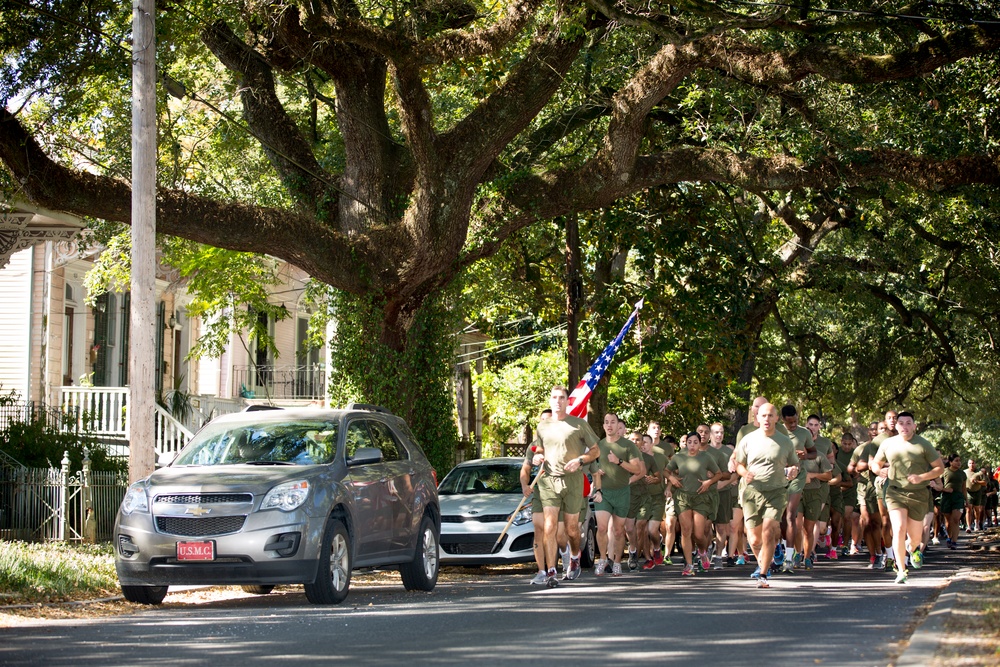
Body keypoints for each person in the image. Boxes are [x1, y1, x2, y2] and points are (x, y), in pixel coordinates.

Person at [531, 385, 600, 587]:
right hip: (549, 479)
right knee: (550, 526)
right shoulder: (542, 426)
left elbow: (595, 451)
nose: (558, 401)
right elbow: (540, 447)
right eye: (554, 397)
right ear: (550, 400)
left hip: (573, 480)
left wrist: (580, 459)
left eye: (562, 397)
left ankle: (575, 555)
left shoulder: (578, 424)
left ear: (567, 401)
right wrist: (538, 455)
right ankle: (551, 572)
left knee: (571, 530)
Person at [870, 411, 944, 584]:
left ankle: (913, 549)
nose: (904, 426)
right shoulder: (888, 443)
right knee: (899, 528)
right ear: (896, 426)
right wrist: (878, 470)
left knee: (914, 538)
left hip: (918, 494)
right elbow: (875, 463)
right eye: (901, 423)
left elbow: (939, 468)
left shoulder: (923, 444)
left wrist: (922, 477)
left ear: (914, 426)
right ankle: (901, 570)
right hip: (895, 492)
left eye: (908, 423)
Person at [733, 403, 799, 589]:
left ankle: (763, 574)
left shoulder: (785, 441)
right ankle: (764, 561)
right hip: (752, 492)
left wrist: (793, 471)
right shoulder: (748, 439)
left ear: (777, 418)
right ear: (757, 418)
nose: (767, 419)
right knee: (754, 539)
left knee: (769, 531)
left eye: (771, 416)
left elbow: (795, 465)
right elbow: (738, 464)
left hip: (777, 491)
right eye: (763, 416)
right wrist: (744, 473)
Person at [591, 413, 643, 577]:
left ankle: (618, 562)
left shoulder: (628, 445)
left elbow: (637, 470)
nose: (609, 425)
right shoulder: (599, 445)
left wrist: (619, 461)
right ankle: (602, 560)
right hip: (604, 493)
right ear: (604, 426)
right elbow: (592, 467)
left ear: (617, 424)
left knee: (619, 531)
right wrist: (596, 472)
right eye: (606, 422)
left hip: (622, 492)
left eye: (613, 422)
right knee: (602, 528)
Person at [665, 432, 723, 576]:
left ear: (699, 443)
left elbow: (719, 474)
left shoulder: (706, 457)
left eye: (695, 442)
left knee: (698, 534)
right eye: (689, 442)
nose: (692, 445)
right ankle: (689, 565)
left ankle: (703, 552)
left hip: (701, 497)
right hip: (683, 497)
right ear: (686, 443)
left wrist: (709, 482)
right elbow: (666, 471)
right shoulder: (679, 456)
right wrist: (671, 479)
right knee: (686, 531)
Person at [779, 404, 816, 572]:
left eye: (795, 422)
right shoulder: (777, 432)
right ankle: (780, 550)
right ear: (782, 420)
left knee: (791, 514)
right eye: (789, 423)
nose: (793, 425)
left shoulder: (804, 432)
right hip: (779, 477)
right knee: (779, 518)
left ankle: (789, 556)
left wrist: (805, 455)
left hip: (798, 476)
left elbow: (813, 453)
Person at [521, 409, 553, 584]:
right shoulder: (532, 446)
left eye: (548, 421)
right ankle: (543, 570)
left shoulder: (563, 442)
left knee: (558, 533)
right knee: (540, 530)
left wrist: (546, 458)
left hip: (559, 491)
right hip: (540, 492)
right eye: (542, 421)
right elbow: (525, 469)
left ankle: (565, 556)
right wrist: (525, 485)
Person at [706, 422, 734, 569]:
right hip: (705, 493)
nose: (719, 435)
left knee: (722, 528)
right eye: (716, 432)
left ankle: (718, 556)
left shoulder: (728, 452)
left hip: (723, 493)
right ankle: (707, 548)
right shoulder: (704, 451)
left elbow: (735, 473)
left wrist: (722, 484)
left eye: (721, 432)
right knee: (704, 527)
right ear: (710, 434)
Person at [940, 454, 967, 549]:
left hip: (958, 497)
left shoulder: (962, 474)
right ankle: (949, 537)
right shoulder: (944, 471)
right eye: (956, 460)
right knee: (948, 520)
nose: (959, 462)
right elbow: (938, 485)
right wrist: (945, 489)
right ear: (950, 462)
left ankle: (954, 542)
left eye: (959, 460)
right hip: (947, 497)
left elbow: (964, 488)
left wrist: (966, 500)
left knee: (955, 519)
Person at [965, 459, 987, 532]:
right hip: (968, 492)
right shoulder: (964, 472)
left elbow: (984, 483)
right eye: (970, 463)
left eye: (973, 463)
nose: (972, 464)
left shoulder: (979, 473)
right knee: (968, 509)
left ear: (975, 464)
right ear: (968, 464)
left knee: (977, 509)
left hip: (977, 492)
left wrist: (976, 481)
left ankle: (976, 523)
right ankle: (968, 526)